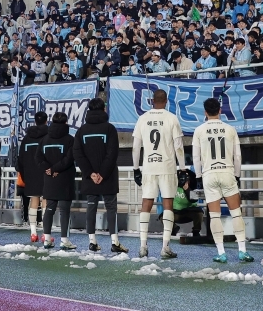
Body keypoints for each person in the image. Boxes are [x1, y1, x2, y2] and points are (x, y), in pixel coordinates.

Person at [192, 98, 251, 264]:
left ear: (205, 112)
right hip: (227, 172)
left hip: (209, 174)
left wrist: (198, 176)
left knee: (214, 215)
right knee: (236, 213)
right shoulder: (230, 129)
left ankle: (221, 252)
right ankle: (242, 251)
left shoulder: (199, 130)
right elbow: (237, 155)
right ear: (220, 110)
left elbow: (196, 157)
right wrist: (237, 175)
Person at [131, 89, 186, 259]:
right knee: (168, 203)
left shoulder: (143, 118)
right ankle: (165, 247)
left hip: (149, 167)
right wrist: (183, 169)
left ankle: (142, 246)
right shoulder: (171, 118)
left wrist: (135, 168)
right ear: (167, 101)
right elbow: (178, 147)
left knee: (146, 202)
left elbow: (135, 147)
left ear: (152, 101)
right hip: (167, 167)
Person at [72, 98, 126, 253]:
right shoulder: (109, 129)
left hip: (90, 177)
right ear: (103, 110)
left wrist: (90, 173)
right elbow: (112, 153)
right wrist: (102, 173)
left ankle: (92, 241)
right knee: (111, 207)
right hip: (107, 176)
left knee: (91, 207)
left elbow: (78, 153)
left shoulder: (81, 130)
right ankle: (115, 242)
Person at [39, 111, 76, 250]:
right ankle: (65, 240)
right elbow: (69, 159)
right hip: (65, 178)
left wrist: (48, 169)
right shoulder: (70, 139)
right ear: (66, 122)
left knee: (49, 209)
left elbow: (38, 158)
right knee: (64, 210)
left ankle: (47, 239)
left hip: (49, 179)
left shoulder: (44, 139)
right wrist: (56, 169)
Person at [17, 112, 49, 243]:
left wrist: (24, 174)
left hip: (30, 174)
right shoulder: (48, 137)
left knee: (33, 201)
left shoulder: (26, 138)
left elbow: (20, 159)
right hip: (45, 173)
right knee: (46, 201)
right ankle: (46, 233)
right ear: (46, 121)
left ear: (35, 121)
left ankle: (33, 232)